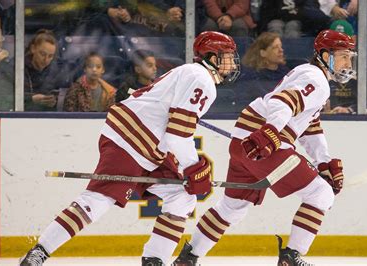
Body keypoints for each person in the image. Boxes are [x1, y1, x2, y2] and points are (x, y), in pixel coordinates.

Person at [19, 31, 240, 266]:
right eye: (227, 56)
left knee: (182, 197)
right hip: (132, 140)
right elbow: (178, 135)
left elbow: (172, 130)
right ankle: (38, 253)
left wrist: (192, 168)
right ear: (212, 57)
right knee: (97, 201)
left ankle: (155, 260)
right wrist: (194, 167)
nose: (232, 62)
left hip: (148, 145)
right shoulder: (202, 79)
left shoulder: (190, 72)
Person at [173, 29, 355, 266]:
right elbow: (283, 102)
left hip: (245, 142)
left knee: (232, 207)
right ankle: (291, 257)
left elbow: (310, 127)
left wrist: (323, 161)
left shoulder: (307, 74)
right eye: (342, 55)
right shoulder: (316, 79)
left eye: (350, 56)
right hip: (264, 144)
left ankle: (189, 257)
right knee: (321, 194)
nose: (347, 62)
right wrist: (269, 132)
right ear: (323, 55)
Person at [234, 32, 289, 105]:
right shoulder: (250, 77)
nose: (281, 50)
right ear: (263, 53)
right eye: (275, 47)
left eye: (281, 46)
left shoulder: (287, 73)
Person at [24, 29, 64, 111]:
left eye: (50, 56)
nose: (46, 60)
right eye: (42, 54)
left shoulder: (55, 71)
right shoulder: (18, 68)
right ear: (33, 49)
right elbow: (7, 98)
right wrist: (31, 99)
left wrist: (55, 102)